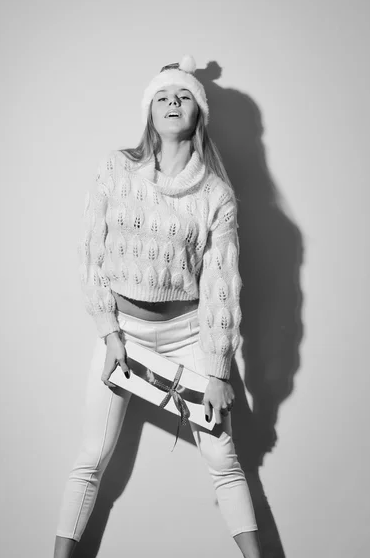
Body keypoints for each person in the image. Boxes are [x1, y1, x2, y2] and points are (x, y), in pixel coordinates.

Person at [53, 55, 262, 558]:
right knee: (92, 456)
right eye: (164, 95)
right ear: (150, 110)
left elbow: (222, 284)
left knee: (222, 456)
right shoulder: (115, 168)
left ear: (199, 115)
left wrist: (217, 371)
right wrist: (109, 333)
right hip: (123, 334)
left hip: (190, 337)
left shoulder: (216, 194)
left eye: (184, 95)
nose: (173, 101)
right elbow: (90, 252)